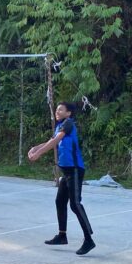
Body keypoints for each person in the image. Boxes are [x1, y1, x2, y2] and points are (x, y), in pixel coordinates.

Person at [34, 103, 95, 255]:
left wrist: (39, 153)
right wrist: (35, 148)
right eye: (56, 109)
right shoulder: (60, 126)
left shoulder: (68, 123)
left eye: (60, 109)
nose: (57, 111)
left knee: (75, 204)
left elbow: (55, 141)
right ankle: (62, 236)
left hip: (75, 170)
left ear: (69, 113)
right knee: (60, 201)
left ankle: (89, 240)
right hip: (66, 172)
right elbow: (51, 141)